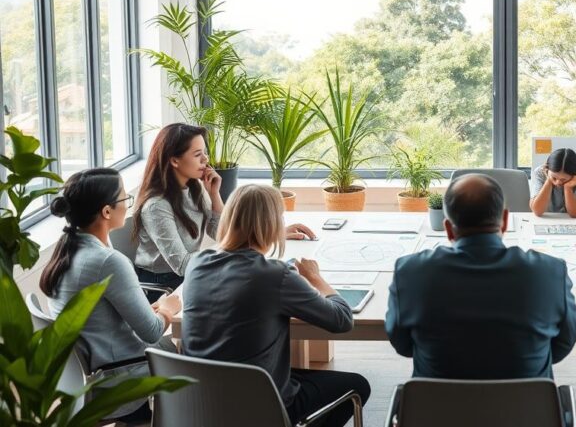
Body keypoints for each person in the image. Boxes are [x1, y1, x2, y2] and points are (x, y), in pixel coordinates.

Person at [182, 185, 369, 426]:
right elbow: (342, 320)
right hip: (259, 406)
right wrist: (315, 278)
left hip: (201, 404)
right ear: (272, 224)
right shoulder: (275, 276)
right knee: (357, 385)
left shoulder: (197, 263)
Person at [386, 174, 576, 379]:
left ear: (449, 229)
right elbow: (563, 344)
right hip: (525, 409)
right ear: (505, 221)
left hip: (437, 408)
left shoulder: (409, 271)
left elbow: (403, 345)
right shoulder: (549, 271)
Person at [40, 168, 181, 424]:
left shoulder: (69, 248)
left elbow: (103, 314)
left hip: (89, 375)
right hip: (120, 377)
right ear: (106, 211)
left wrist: (153, 310)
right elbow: (151, 332)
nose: (128, 204)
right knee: (187, 351)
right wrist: (168, 309)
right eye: (125, 199)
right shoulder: (107, 260)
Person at [134, 123, 315, 296]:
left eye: (204, 152)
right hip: (165, 285)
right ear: (174, 160)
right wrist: (248, 246)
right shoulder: (156, 206)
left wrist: (214, 195)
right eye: (198, 154)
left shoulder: (194, 188)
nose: (206, 159)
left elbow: (222, 234)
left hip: (193, 274)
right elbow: (182, 265)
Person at [529, 148, 576, 218]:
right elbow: (537, 211)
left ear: (574, 175)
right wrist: (549, 180)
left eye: (563, 179)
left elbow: (574, 213)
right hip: (547, 219)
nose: (558, 182)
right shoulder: (540, 173)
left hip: (574, 222)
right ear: (547, 170)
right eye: (554, 177)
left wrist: (568, 187)